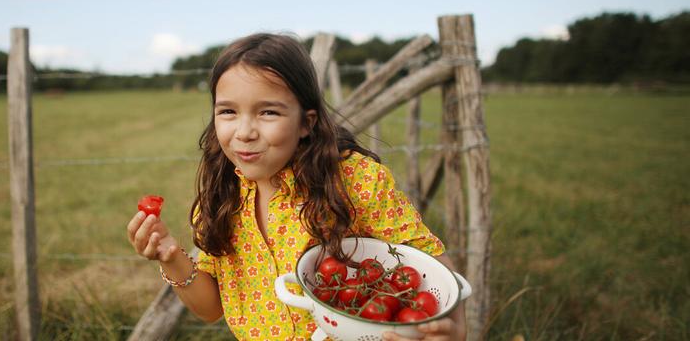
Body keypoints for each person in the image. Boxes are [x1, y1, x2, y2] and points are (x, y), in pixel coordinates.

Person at [127, 33, 466, 341]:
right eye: (228, 111)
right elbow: (211, 308)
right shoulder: (223, 194)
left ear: (306, 122)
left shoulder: (353, 180)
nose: (244, 131)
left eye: (268, 113)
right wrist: (169, 255)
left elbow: (433, 269)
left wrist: (452, 331)